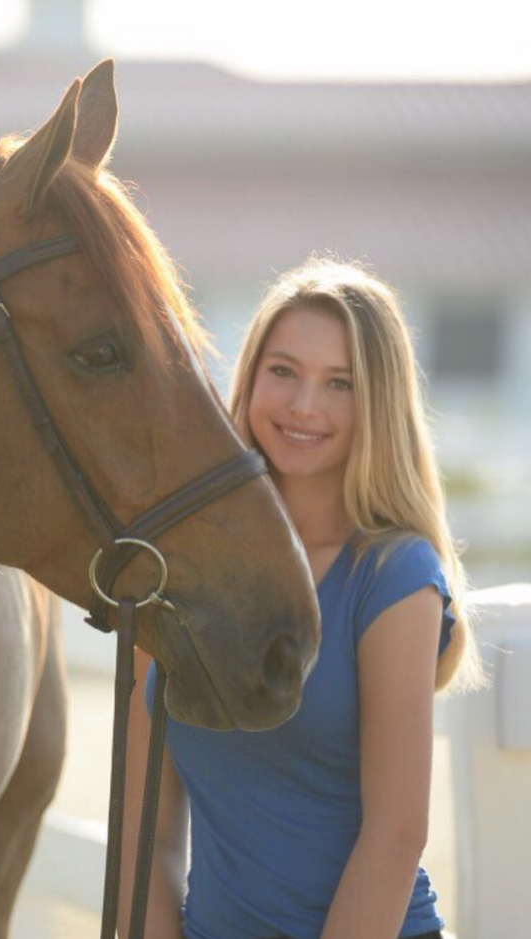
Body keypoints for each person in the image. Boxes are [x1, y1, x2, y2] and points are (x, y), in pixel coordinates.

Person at [119, 256, 483, 939]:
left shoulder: (395, 575)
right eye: (283, 370)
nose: (304, 405)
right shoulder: (178, 568)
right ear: (251, 375)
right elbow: (144, 836)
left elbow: (396, 836)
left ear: (376, 402)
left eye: (339, 383)